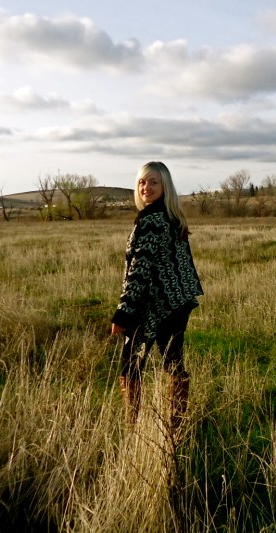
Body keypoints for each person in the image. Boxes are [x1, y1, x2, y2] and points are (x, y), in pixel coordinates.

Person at [111, 161, 203, 436]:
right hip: (178, 302)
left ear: (165, 187)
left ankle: (133, 428)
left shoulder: (151, 220)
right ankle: (176, 429)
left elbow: (139, 270)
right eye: (142, 182)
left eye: (153, 182)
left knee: (130, 366)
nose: (146, 187)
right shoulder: (172, 216)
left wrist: (123, 312)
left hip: (156, 305)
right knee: (173, 362)